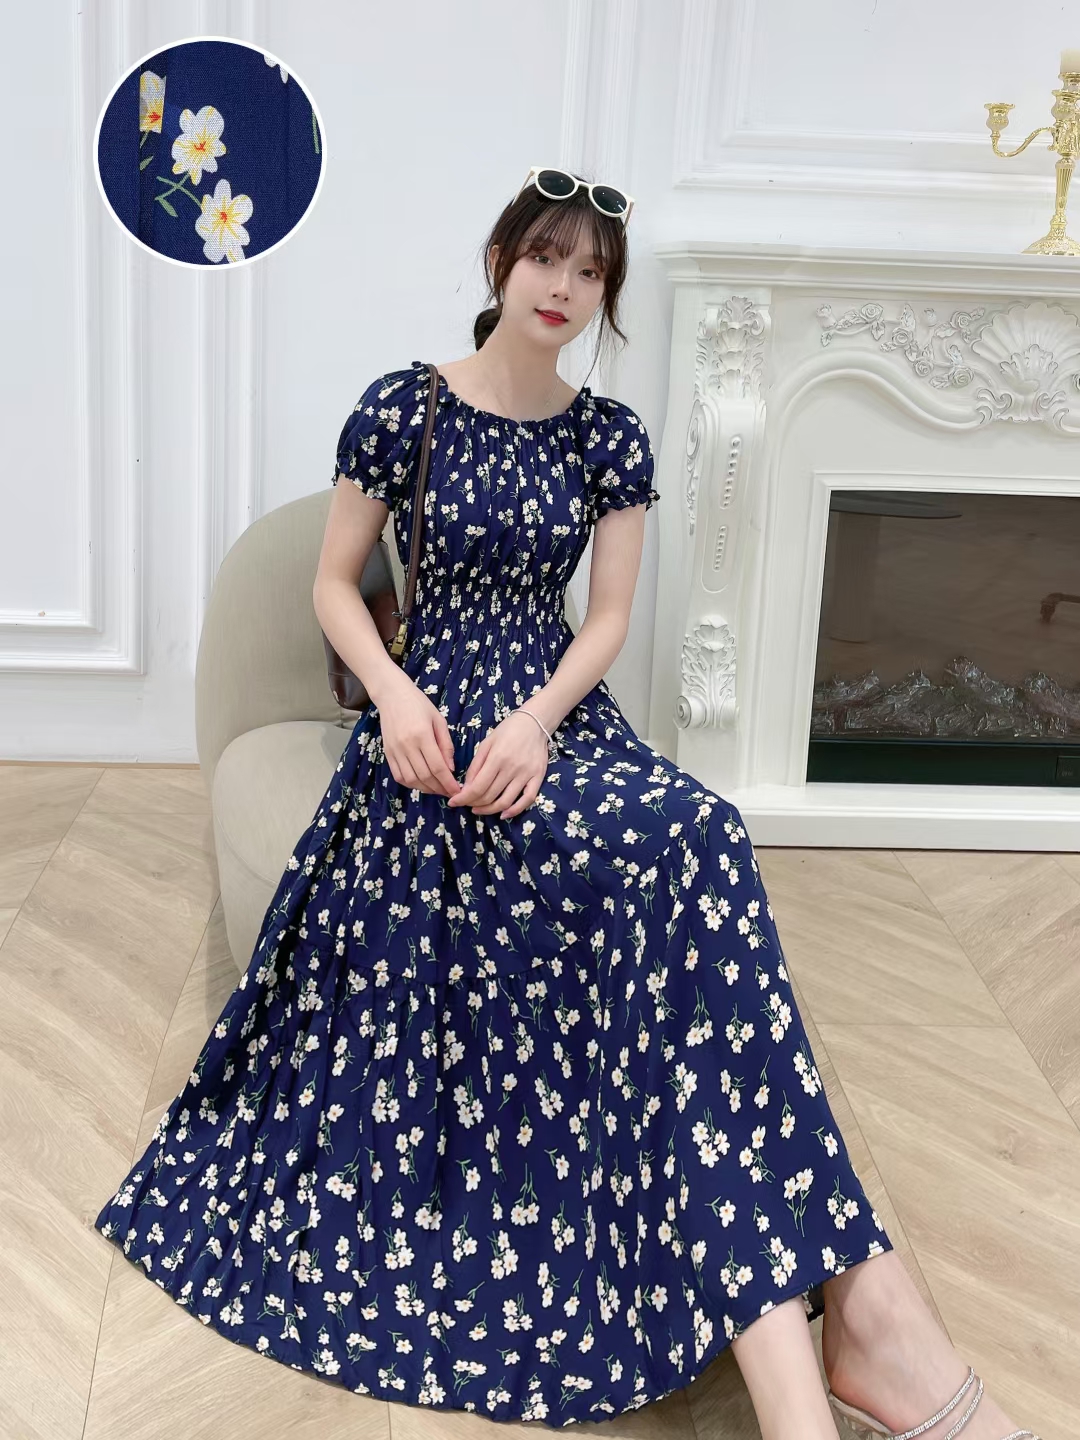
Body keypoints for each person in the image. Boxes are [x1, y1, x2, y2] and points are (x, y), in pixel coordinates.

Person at [94, 167, 1038, 1440]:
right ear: (501, 263)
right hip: (434, 743)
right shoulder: (404, 409)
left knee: (701, 829)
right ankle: (858, 1342)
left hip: (553, 723)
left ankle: (833, 1366)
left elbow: (605, 621)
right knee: (668, 873)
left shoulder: (607, 437)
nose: (565, 287)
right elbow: (331, 585)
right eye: (547, 258)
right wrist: (394, 696)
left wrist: (538, 724)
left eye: (591, 272)